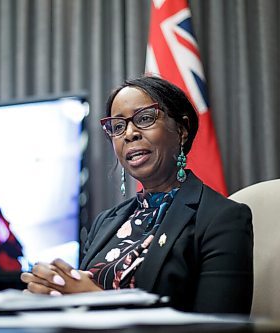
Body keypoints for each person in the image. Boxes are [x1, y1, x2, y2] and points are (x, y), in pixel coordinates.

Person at [20, 75, 253, 314]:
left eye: (145, 118)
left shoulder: (222, 219)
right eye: (118, 127)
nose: (129, 134)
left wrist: (92, 298)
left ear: (181, 130)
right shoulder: (105, 223)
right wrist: (53, 294)